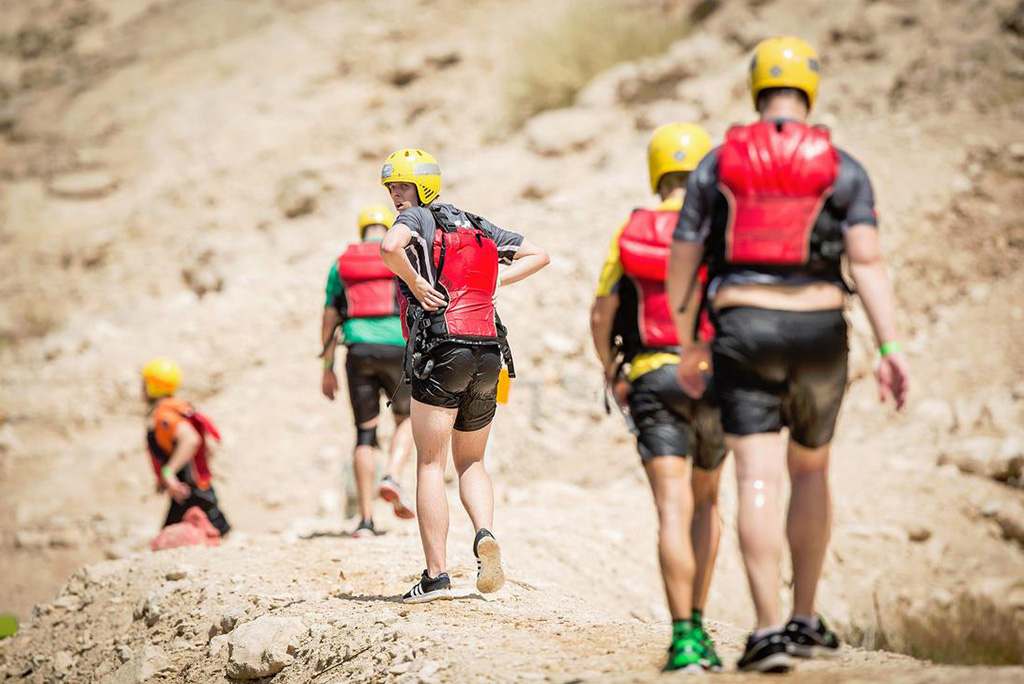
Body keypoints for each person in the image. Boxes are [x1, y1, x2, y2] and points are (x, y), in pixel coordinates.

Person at [666, 37, 910, 672]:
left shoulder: (716, 165)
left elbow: (681, 266)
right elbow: (868, 262)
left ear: (755, 89)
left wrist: (690, 341)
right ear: (811, 89)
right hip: (821, 330)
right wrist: (889, 346)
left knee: (756, 475)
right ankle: (805, 618)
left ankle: (767, 630)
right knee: (810, 471)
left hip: (743, 327)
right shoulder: (843, 167)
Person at [377, 148, 550, 603]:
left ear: (422, 188)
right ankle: (484, 534)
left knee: (430, 464)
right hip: (489, 352)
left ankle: (436, 576)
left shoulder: (415, 219)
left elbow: (389, 248)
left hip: (442, 350)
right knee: (472, 461)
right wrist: (495, 283)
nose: (395, 195)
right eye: (391, 188)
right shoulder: (475, 224)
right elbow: (539, 254)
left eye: (402, 186)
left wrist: (417, 283)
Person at [589, 123, 726, 672]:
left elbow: (601, 312)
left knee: (672, 506)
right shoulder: (719, 225)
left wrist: (612, 371)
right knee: (708, 501)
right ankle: (703, 625)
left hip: (652, 375)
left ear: (656, 172)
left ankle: (684, 637)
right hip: (714, 375)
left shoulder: (632, 228)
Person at [321, 204, 416, 538]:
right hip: (398, 348)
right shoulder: (400, 255)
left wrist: (327, 367)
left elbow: (329, 319)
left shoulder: (341, 264)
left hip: (358, 350)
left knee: (364, 433)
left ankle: (365, 521)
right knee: (408, 418)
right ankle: (392, 475)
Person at [142, 357, 231, 537]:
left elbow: (190, 439)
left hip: (188, 490)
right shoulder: (181, 409)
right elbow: (208, 446)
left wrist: (168, 473)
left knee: (167, 540)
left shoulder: (164, 415)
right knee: (217, 531)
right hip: (198, 487)